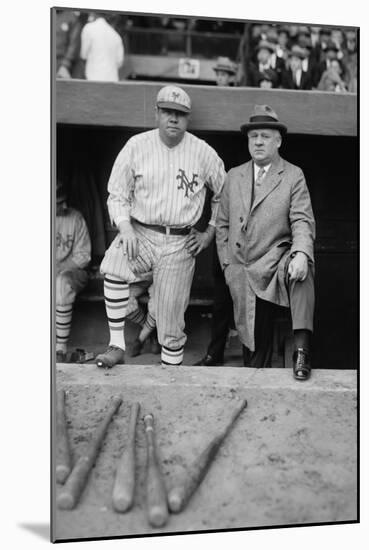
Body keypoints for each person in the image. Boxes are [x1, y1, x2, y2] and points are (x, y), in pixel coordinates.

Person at [95, 85, 226, 369]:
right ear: (156, 113)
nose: (173, 119)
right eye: (167, 111)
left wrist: (209, 233)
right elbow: (117, 193)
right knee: (114, 265)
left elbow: (223, 194)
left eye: (180, 114)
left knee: (170, 325)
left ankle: (170, 381)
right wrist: (125, 227)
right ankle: (116, 344)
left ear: (187, 118)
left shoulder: (202, 152)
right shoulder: (136, 145)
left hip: (179, 242)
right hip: (139, 233)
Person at [216, 105, 315, 380]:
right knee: (254, 357)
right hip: (242, 270)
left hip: (275, 264)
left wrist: (301, 254)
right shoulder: (235, 175)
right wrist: (227, 264)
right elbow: (222, 224)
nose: (258, 142)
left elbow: (302, 221)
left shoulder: (292, 175)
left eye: (265, 136)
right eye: (253, 136)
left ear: (278, 141)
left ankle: (302, 350)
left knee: (304, 269)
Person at [56, 182, 91, 362]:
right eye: (58, 202)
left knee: (60, 284)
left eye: (65, 201)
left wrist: (59, 269)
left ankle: (60, 350)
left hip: (72, 273)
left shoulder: (75, 218)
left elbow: (84, 256)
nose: (65, 206)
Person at [80, 12, 124, 81]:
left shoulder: (88, 28)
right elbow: (119, 62)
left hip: (94, 79)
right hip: (112, 80)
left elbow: (83, 55)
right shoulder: (117, 36)